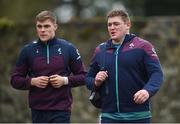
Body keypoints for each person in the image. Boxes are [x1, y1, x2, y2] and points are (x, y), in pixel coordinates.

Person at [86, 9, 164, 123]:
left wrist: (147, 91)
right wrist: (96, 82)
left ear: (128, 25)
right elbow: (88, 79)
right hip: (109, 116)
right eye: (109, 25)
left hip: (138, 116)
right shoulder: (100, 50)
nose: (112, 28)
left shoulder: (143, 46)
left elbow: (157, 74)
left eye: (116, 24)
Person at [11, 10, 86, 123]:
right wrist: (32, 82)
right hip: (37, 111)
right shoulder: (27, 50)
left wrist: (64, 80)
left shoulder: (68, 48)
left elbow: (84, 76)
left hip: (61, 110)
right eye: (39, 26)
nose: (42, 30)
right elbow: (15, 80)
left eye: (46, 26)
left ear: (55, 27)